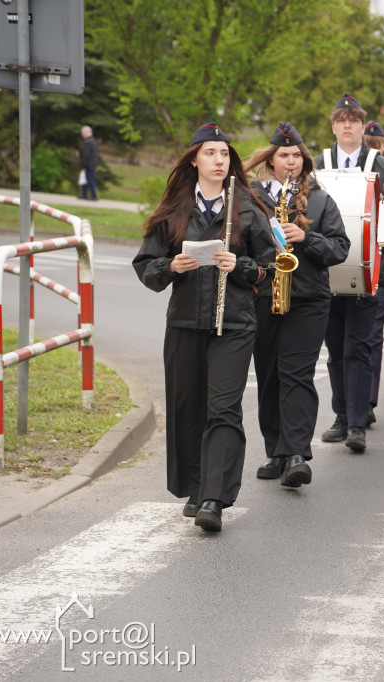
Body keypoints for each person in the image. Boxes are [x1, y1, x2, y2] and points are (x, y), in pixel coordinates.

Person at [132, 122, 274, 531]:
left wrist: (243, 266)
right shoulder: (175, 209)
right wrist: (171, 265)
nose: (218, 160)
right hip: (185, 321)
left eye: (224, 153)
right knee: (187, 407)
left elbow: (270, 266)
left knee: (223, 408)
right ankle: (196, 487)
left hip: (233, 323)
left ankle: (215, 497)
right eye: (210, 152)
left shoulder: (246, 206)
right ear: (194, 158)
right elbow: (147, 267)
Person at [244, 122, 351, 487]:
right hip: (262, 296)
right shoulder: (252, 197)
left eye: (296, 156)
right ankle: (275, 450)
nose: (291, 161)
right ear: (271, 160)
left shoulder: (320, 200)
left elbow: (340, 248)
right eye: (283, 155)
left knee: (297, 374)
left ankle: (296, 454)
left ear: (304, 161)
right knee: (269, 374)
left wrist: (307, 237)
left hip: (308, 300)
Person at [313, 93, 384, 452]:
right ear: (334, 125)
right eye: (341, 120)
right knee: (335, 348)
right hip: (328, 271)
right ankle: (340, 416)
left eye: (354, 120)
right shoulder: (319, 163)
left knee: (360, 348)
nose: (348, 125)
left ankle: (357, 423)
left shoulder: (380, 164)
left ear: (363, 125)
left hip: (372, 273)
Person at [80, 126, 99, 201]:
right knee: (87, 180)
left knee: (90, 180)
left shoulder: (88, 142)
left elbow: (86, 155)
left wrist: (83, 165)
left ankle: (94, 196)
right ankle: (85, 194)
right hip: (92, 164)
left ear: (87, 132)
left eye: (83, 133)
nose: (82, 135)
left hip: (88, 165)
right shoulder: (93, 141)